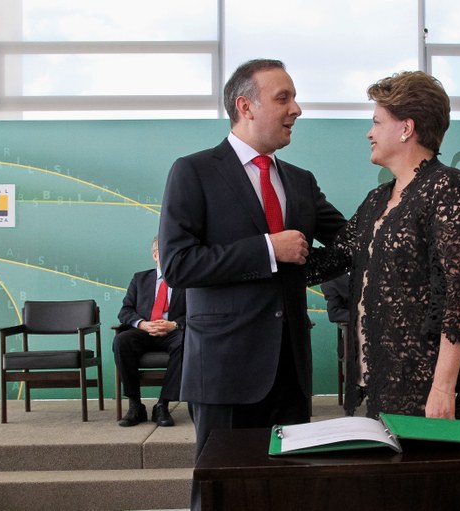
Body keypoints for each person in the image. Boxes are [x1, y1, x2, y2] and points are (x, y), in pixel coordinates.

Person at [158, 58, 346, 510]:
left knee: (290, 491)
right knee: (223, 494)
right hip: (224, 370)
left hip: (291, 370)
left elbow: (347, 245)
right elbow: (178, 264)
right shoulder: (194, 171)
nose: (296, 109)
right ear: (245, 106)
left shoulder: (300, 182)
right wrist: (267, 249)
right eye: (284, 98)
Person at [307, 71, 460, 421]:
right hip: (382, 379)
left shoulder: (448, 187)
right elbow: (335, 258)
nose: (370, 132)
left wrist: (442, 388)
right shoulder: (378, 199)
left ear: (406, 128)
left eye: (377, 122)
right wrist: (266, 250)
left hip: (426, 386)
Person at [113, 236, 185, 427]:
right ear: (155, 255)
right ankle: (135, 405)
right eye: (165, 252)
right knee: (121, 341)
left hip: (172, 331)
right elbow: (125, 311)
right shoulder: (140, 278)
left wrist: (174, 325)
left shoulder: (186, 281)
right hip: (144, 330)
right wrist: (142, 324)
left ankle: (162, 404)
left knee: (185, 342)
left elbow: (196, 313)